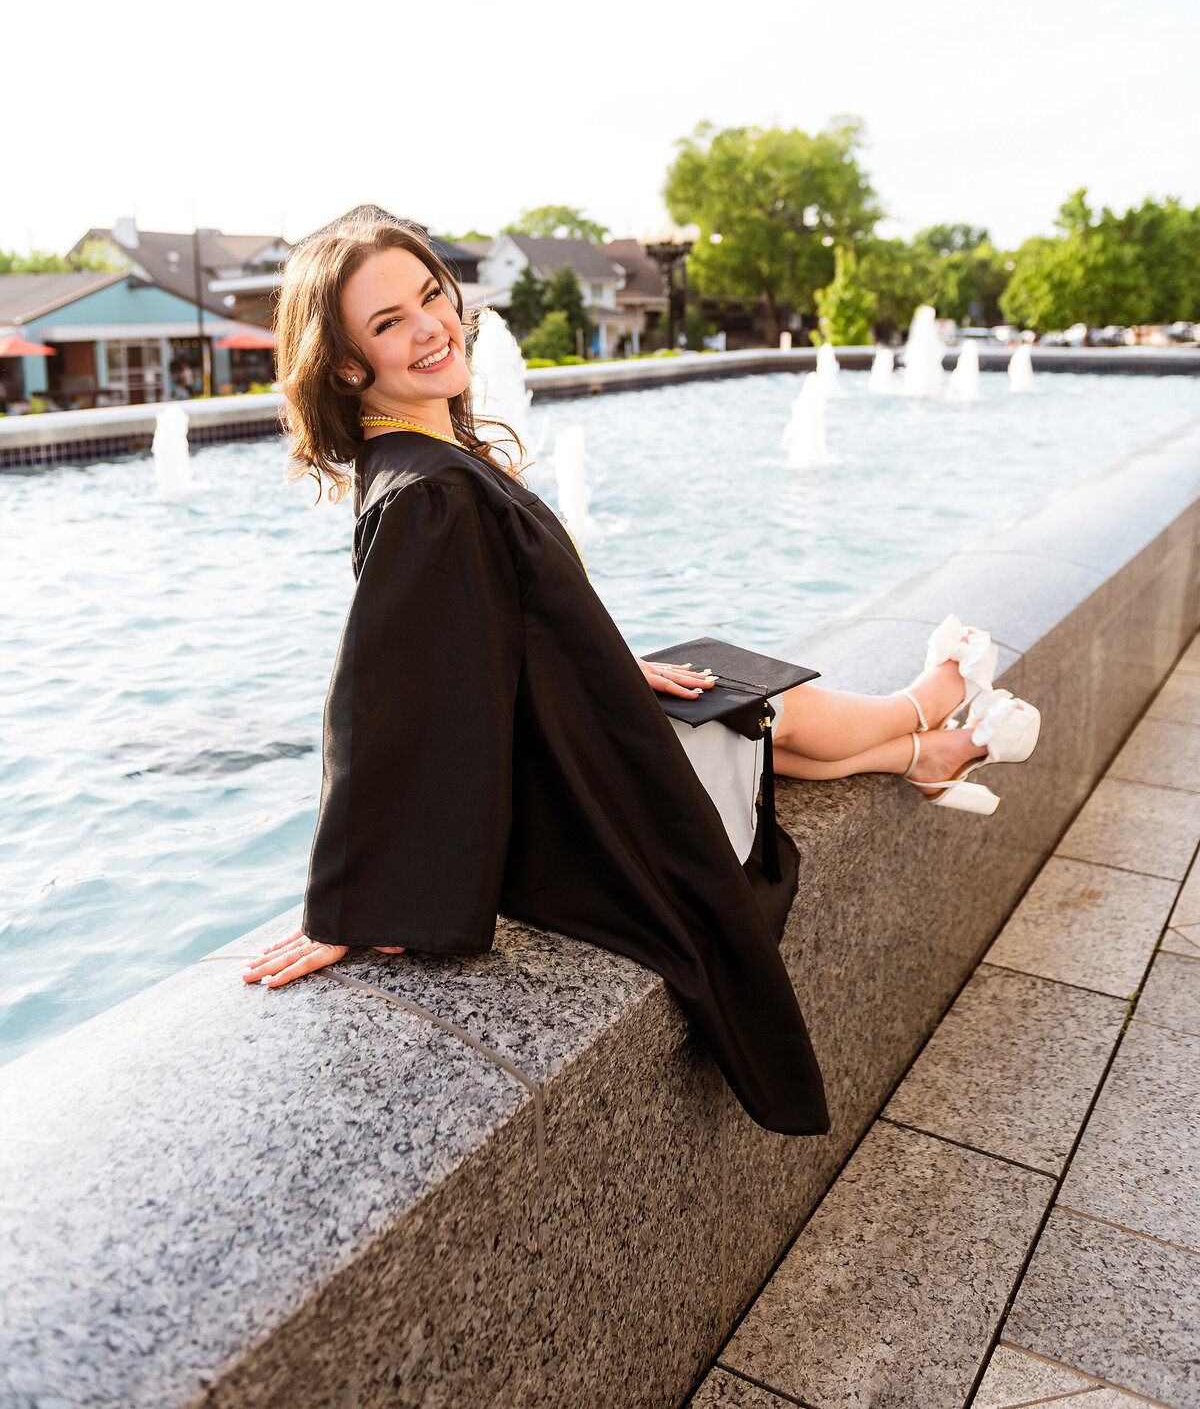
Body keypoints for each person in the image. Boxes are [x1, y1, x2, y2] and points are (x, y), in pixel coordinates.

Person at [243, 207, 1040, 1134]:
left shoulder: (425, 459)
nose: (430, 327)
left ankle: (919, 756)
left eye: (430, 296)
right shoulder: (427, 493)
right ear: (347, 364)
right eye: (388, 323)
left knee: (706, 689)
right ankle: (924, 703)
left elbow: (482, 622)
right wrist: (356, 898)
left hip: (543, 763)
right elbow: (386, 699)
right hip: (560, 817)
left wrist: (610, 663)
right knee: (754, 713)